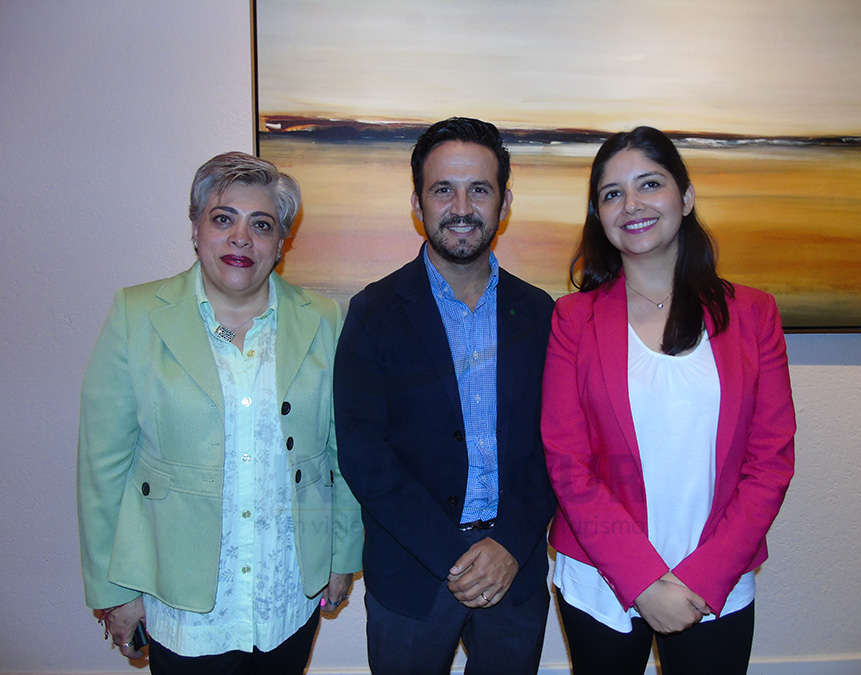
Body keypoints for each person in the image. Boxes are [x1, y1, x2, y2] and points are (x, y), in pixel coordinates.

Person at [77, 152, 362, 673]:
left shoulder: (322, 318)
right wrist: (113, 592)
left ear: (281, 243)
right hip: (178, 600)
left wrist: (342, 556)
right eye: (223, 218)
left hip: (286, 595)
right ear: (195, 229)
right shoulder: (135, 316)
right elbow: (102, 469)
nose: (240, 238)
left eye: (261, 225)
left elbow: (342, 452)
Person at [541, 126, 795, 674]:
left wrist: (701, 577)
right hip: (601, 582)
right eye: (612, 194)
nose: (631, 205)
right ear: (598, 214)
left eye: (649, 184)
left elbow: (770, 460)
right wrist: (643, 582)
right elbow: (568, 466)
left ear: (685, 196)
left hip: (718, 582)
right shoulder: (572, 321)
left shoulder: (754, 315)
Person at [333, 117, 556, 674]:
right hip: (412, 575)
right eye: (443, 189)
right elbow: (364, 453)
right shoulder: (373, 313)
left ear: (504, 203)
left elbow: (558, 445)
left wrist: (507, 544)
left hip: (514, 570)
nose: (461, 207)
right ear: (418, 202)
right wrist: (453, 555)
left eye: (478, 189)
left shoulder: (541, 314)